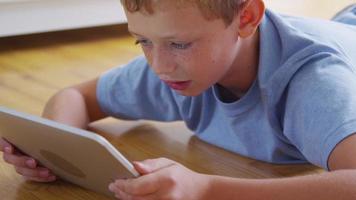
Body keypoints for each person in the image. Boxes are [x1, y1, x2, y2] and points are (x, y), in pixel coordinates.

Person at [1, 0, 356, 199]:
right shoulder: (175, 64)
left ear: (245, 18)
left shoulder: (311, 81)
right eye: (142, 41)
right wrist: (56, 149)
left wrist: (206, 188)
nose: (159, 66)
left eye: (179, 44)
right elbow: (75, 95)